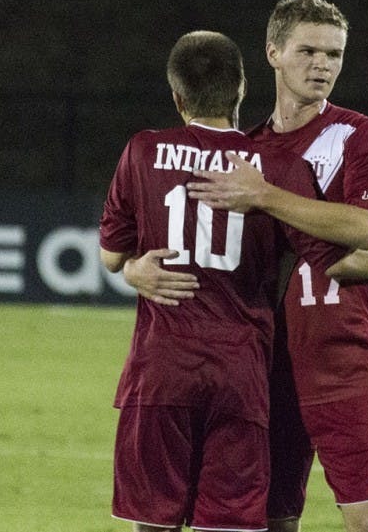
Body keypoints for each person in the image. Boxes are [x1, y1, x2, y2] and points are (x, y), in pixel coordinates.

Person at [125, 0, 368, 532]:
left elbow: (362, 229)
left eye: (334, 54)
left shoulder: (358, 135)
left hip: (346, 362)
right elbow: (198, 252)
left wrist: (266, 197)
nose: (322, 66)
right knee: (271, 522)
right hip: (265, 372)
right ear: (273, 54)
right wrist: (133, 271)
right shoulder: (245, 153)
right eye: (308, 51)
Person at [99, 31, 344, 531]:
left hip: (160, 369)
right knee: (229, 523)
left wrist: (131, 270)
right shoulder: (276, 167)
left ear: (177, 96)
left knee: (152, 521)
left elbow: (110, 257)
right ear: (242, 89)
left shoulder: (143, 151)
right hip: (241, 372)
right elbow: (322, 257)